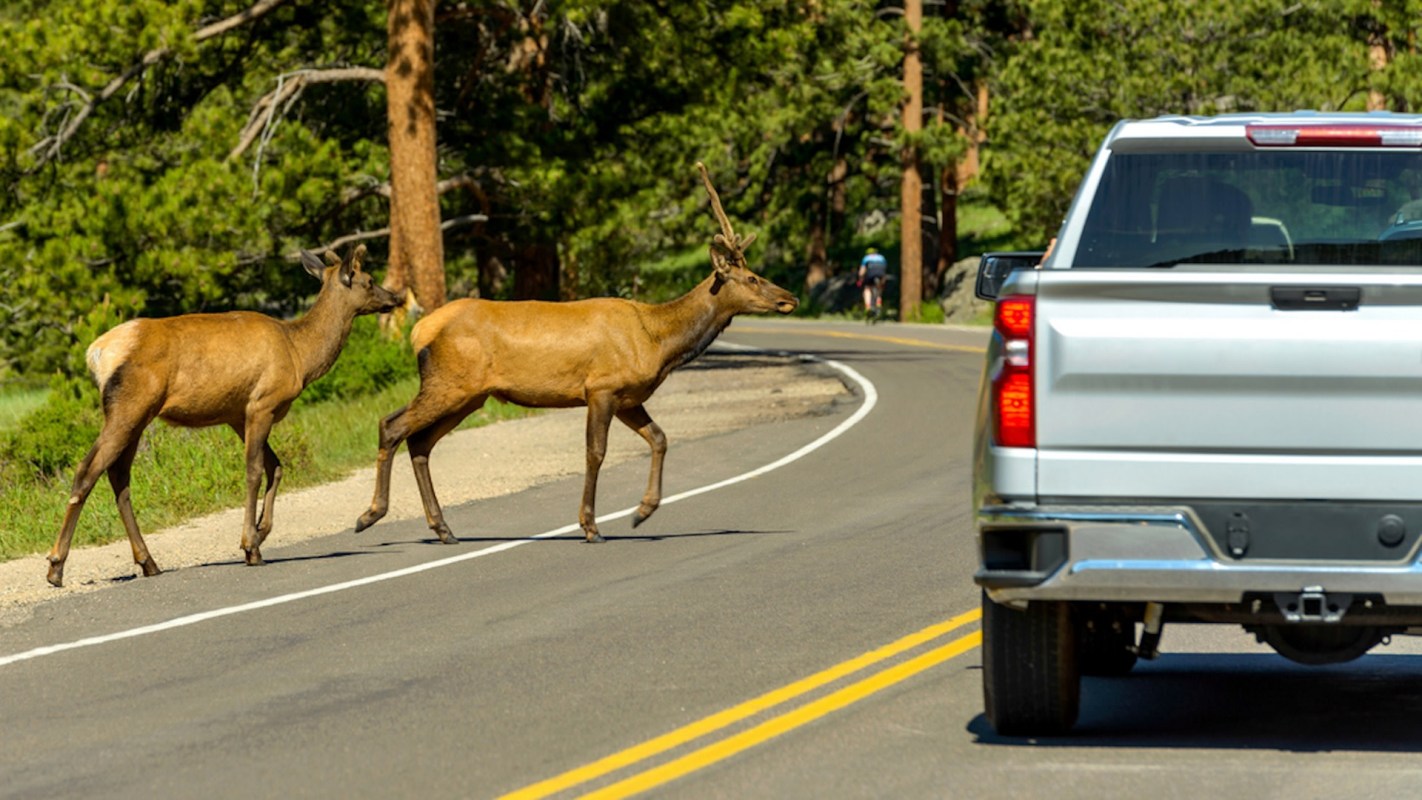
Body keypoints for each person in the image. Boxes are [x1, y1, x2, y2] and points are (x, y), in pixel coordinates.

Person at [857, 247, 888, 322]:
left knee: (867, 289)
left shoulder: (866, 258)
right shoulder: (881, 257)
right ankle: (878, 303)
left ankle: (868, 307)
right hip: (881, 273)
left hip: (871, 273)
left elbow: (862, 270)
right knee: (879, 288)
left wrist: (860, 278)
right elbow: (885, 268)